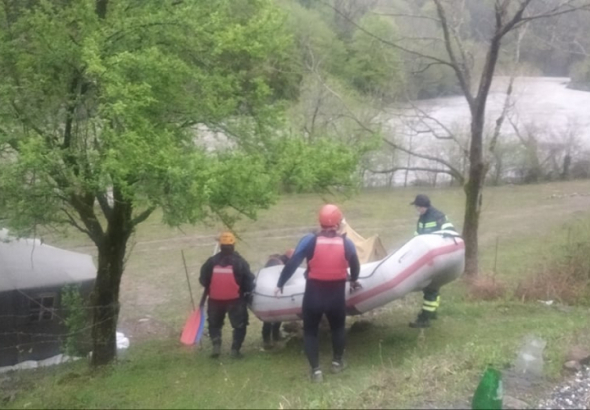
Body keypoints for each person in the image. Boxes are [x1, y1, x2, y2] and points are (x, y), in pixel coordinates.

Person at [275, 204, 361, 383]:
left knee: (310, 332)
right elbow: (355, 266)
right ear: (338, 223)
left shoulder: (309, 240)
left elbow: (292, 263)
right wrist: (353, 279)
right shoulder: (347, 243)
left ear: (320, 222)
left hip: (314, 294)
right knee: (338, 328)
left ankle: (316, 372)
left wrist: (281, 283)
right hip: (336, 296)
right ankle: (337, 363)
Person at [199, 231, 255, 359]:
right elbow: (249, 281)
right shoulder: (240, 262)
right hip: (235, 301)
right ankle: (235, 350)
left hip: (214, 300)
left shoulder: (211, 261)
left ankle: (216, 345)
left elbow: (203, 280)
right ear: (233, 245)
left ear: (220, 245)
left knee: (214, 324)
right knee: (240, 325)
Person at [409, 194, 456, 329]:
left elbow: (449, 231)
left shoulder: (438, 216)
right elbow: (418, 237)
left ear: (424, 206)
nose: (417, 209)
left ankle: (425, 319)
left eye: (418, 207)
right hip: (427, 257)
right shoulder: (422, 218)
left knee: (430, 288)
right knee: (433, 287)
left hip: (437, 258)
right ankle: (433, 312)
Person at [261, 249, 295, 349]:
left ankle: (275, 335)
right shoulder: (276, 264)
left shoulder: (278, 261)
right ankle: (267, 339)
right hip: (270, 293)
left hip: (273, 292)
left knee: (277, 316)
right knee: (270, 317)